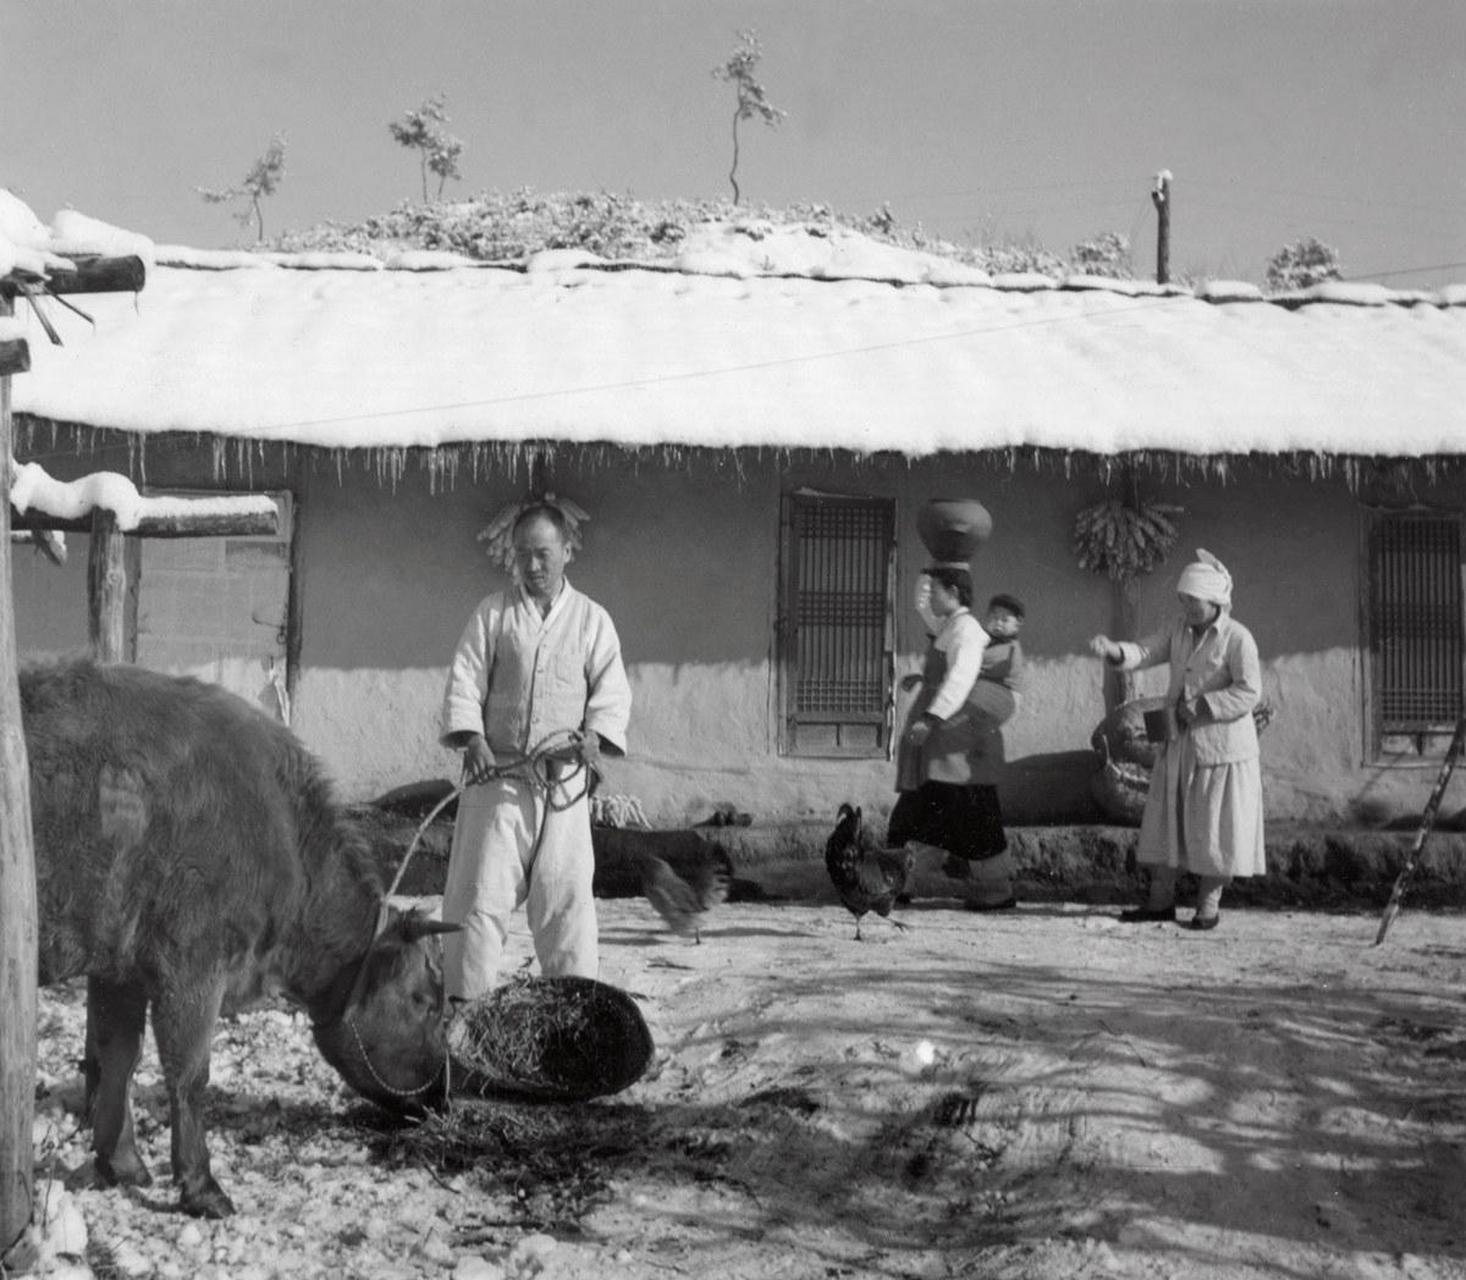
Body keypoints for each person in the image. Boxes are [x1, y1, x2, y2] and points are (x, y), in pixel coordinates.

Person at [439, 498, 632, 1001]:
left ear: (568, 551)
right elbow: (465, 678)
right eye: (523, 554)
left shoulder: (592, 621)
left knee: (566, 904)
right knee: (477, 900)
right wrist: (472, 738)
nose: (533, 566)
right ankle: (464, 1014)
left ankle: (572, 1015)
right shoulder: (493, 615)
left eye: (544, 553)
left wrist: (595, 737)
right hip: (497, 781)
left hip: (563, 785)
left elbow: (611, 693)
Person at [1089, 549, 1263, 930]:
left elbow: (1250, 691)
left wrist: (1204, 706)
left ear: (1214, 600)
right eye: (1183, 599)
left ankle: (1208, 906)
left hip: (1222, 750)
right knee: (1165, 821)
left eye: (1193, 601)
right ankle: (1159, 901)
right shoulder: (1178, 630)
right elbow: (1146, 651)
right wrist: (1115, 650)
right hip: (1177, 741)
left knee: (1215, 827)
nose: (1187, 607)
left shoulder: (1238, 639)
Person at [887, 566, 1015, 911]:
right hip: (943, 741)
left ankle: (995, 890)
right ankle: (895, 881)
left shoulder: (967, 631)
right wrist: (928, 573)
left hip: (959, 741)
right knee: (927, 807)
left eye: (938, 590)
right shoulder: (949, 625)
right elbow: (921, 606)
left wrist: (930, 718)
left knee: (965, 810)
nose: (933, 596)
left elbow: (959, 679)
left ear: (955, 593)